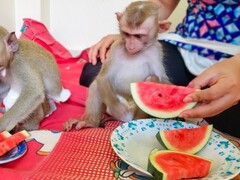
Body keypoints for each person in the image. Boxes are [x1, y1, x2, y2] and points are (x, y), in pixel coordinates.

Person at [80, 0, 240, 138]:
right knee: (91, 71)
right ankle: (99, 119)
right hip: (186, 43)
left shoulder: (154, 49)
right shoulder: (129, 41)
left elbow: (161, 83)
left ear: (162, 28)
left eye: (138, 36)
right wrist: (136, 28)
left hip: (233, 55)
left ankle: (137, 121)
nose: (130, 44)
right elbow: (162, 3)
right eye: (126, 34)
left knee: (224, 114)